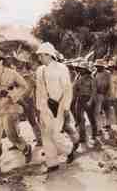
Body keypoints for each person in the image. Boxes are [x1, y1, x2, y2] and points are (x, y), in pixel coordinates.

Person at [0, 49, 32, 174]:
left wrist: (12, 94)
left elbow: (24, 86)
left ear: (1, 62)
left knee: (12, 136)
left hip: (10, 108)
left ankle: (26, 148)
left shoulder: (12, 73)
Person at [34, 42, 77, 174]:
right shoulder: (39, 70)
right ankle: (52, 163)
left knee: (56, 134)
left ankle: (69, 150)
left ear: (49, 55)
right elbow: (39, 91)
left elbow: (67, 90)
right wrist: (38, 108)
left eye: (41, 55)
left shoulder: (61, 68)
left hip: (58, 106)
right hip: (44, 107)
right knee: (46, 135)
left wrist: (65, 108)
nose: (39, 58)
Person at [11, 51, 43, 147]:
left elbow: (29, 89)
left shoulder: (29, 74)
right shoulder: (16, 72)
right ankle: (16, 141)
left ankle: (40, 138)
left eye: (19, 61)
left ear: (24, 62)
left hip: (28, 100)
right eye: (16, 61)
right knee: (13, 121)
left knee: (32, 119)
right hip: (17, 99)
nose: (17, 63)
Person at [72, 62, 99, 149]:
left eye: (82, 68)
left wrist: (90, 101)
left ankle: (94, 135)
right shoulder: (78, 77)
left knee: (91, 118)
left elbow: (94, 91)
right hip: (79, 99)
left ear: (86, 70)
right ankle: (82, 137)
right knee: (79, 118)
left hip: (88, 99)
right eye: (80, 68)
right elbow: (74, 88)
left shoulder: (91, 79)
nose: (80, 70)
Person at [93, 59, 114, 140]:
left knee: (107, 110)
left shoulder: (107, 74)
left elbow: (110, 84)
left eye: (99, 66)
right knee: (97, 112)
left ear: (102, 66)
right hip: (98, 95)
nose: (97, 67)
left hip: (106, 94)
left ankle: (108, 124)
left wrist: (108, 94)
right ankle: (99, 128)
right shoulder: (94, 73)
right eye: (97, 66)